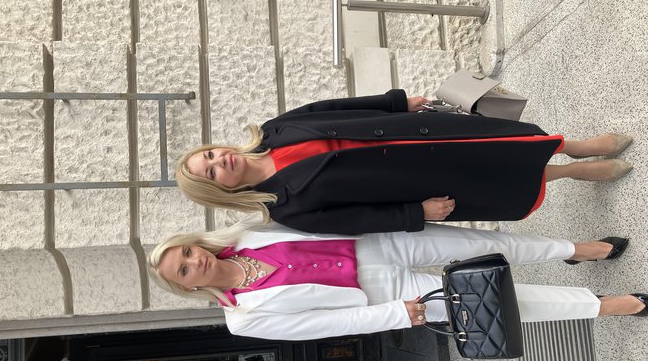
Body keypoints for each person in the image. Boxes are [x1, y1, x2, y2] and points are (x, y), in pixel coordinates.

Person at [175, 89, 633, 234]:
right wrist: (415, 213)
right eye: (211, 172)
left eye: (209, 154)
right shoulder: (285, 208)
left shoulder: (274, 130)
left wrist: (396, 102)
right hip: (411, 178)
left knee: (499, 142)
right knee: (494, 175)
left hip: (415, 133)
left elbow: (333, 108)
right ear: (220, 190)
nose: (219, 161)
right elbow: (356, 221)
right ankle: (574, 172)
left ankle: (578, 147)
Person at [147, 221, 645, 341]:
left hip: (377, 245)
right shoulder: (244, 318)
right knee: (494, 302)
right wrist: (392, 316)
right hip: (383, 296)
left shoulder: (247, 234)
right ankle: (604, 305)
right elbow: (322, 326)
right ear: (187, 287)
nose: (194, 262)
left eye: (187, 251)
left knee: (486, 243)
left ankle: (576, 250)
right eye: (183, 270)